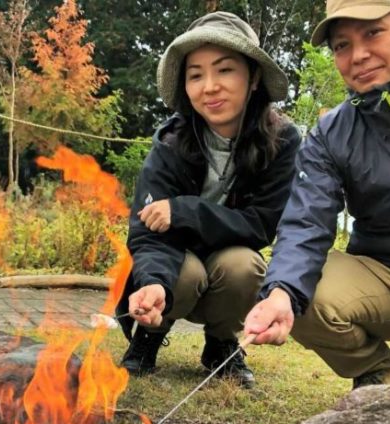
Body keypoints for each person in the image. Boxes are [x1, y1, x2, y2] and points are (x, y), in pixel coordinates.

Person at [244, 0, 390, 399]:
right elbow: (306, 222)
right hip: (377, 277)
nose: (358, 56)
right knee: (297, 292)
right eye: (342, 46)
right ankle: (378, 376)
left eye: (373, 33)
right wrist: (280, 294)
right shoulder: (332, 133)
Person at [117, 11, 301, 388]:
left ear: (253, 78)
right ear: (184, 86)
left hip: (228, 260)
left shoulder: (282, 141)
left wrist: (185, 210)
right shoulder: (169, 142)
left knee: (246, 266)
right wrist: (151, 282)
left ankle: (221, 343)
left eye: (225, 70)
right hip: (176, 262)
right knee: (183, 273)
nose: (210, 86)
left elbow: (262, 224)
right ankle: (149, 334)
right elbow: (147, 230)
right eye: (196, 74)